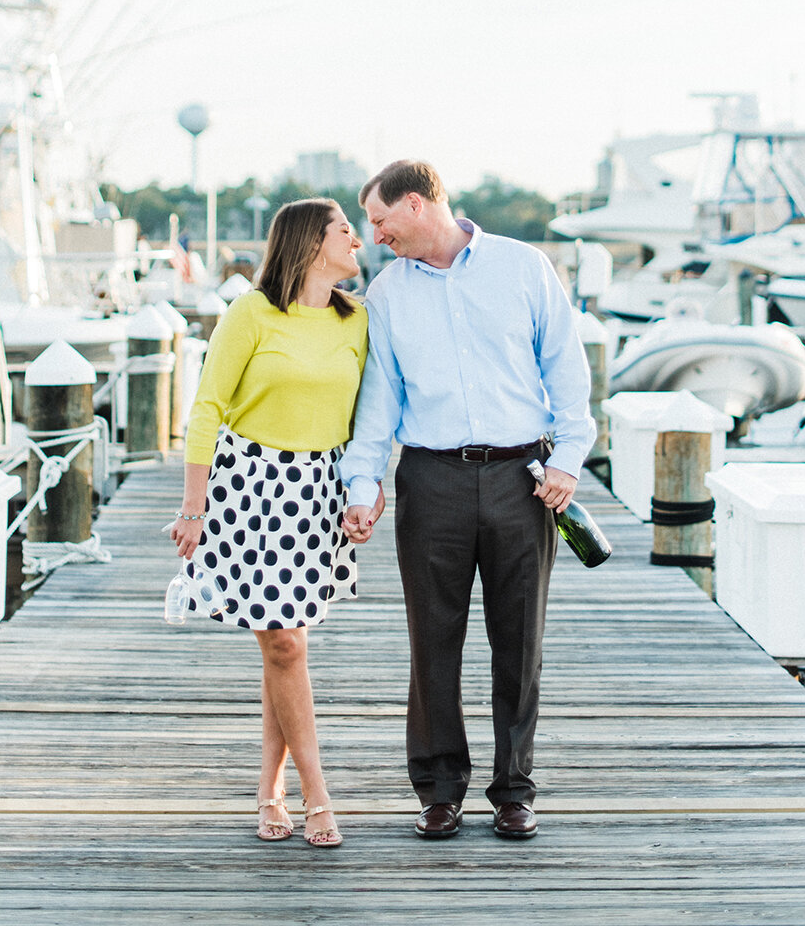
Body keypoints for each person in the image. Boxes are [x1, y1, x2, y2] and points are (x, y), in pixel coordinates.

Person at [340, 159, 594, 841]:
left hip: (523, 479)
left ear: (415, 204)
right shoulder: (387, 293)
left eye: (379, 218)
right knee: (433, 641)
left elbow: (565, 370)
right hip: (430, 480)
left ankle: (514, 788)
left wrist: (568, 460)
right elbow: (378, 400)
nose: (374, 234)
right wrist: (360, 487)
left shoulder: (522, 267)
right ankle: (438, 789)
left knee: (520, 642)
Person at [170, 197, 368, 848]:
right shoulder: (251, 312)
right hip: (250, 489)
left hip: (317, 494)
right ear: (310, 242)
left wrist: (366, 493)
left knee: (281, 647)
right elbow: (207, 409)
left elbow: (366, 421)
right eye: (345, 229)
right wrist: (193, 507)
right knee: (285, 643)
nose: (357, 240)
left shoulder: (354, 320)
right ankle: (316, 795)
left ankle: (267, 793)